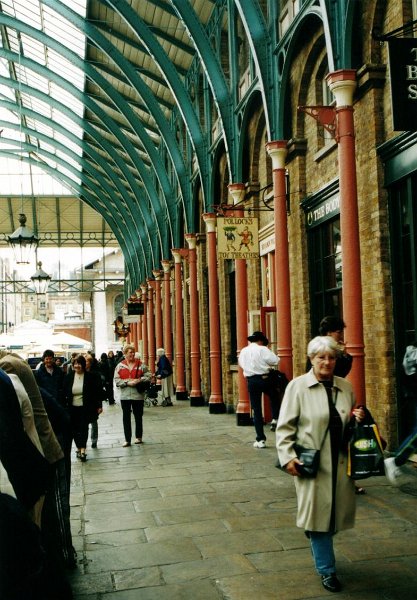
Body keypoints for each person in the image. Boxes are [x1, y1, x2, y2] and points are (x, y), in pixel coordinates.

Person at [276, 336, 365, 593]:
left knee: (334, 517)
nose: (327, 362)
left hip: (340, 464)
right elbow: (284, 427)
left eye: (331, 357)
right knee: (319, 521)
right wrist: (288, 457)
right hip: (311, 465)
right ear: (311, 359)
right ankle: (327, 571)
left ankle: (315, 535)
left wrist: (357, 417)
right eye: (321, 358)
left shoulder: (345, 387)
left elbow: (347, 424)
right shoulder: (297, 387)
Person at [238, 331, 280, 448]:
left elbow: (241, 365)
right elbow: (276, 361)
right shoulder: (262, 349)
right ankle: (275, 418)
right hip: (265, 379)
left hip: (251, 381)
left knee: (256, 410)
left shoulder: (243, 351)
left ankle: (260, 440)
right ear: (260, 340)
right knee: (274, 396)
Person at [63, 354, 103, 462]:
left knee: (84, 428)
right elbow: (64, 392)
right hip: (72, 408)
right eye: (75, 364)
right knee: (75, 429)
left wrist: (99, 405)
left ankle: (83, 449)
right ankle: (78, 447)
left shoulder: (90, 377)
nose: (77, 366)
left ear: (84, 365)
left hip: (86, 407)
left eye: (79, 364)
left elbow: (96, 393)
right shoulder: (69, 377)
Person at [114, 344, 151, 447]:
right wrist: (127, 383)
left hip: (138, 395)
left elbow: (149, 375)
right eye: (130, 352)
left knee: (138, 416)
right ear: (125, 354)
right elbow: (117, 380)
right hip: (125, 396)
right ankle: (127, 440)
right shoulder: (120, 366)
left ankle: (138, 437)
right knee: (126, 417)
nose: (132, 354)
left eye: (133, 352)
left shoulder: (140, 364)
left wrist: (139, 380)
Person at [85, 353, 106, 449]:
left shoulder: (95, 374)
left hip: (93, 401)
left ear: (90, 363)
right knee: (83, 423)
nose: (85, 363)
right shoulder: (79, 373)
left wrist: (100, 405)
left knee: (94, 421)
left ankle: (94, 440)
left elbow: (99, 391)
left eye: (87, 361)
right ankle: (83, 442)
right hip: (83, 402)